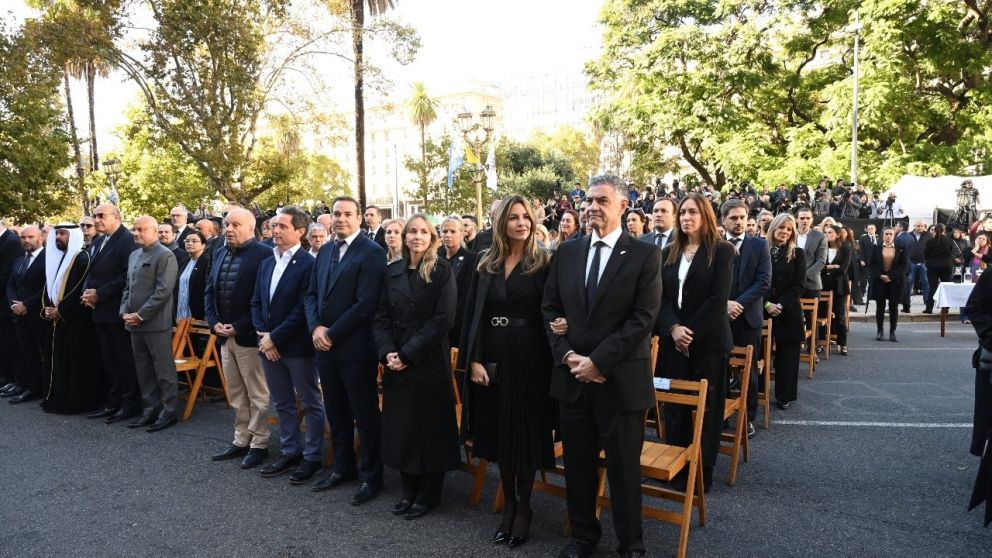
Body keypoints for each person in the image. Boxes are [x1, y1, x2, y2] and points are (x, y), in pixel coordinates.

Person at [542, 176, 662, 558]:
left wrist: (598, 361)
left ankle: (631, 544)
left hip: (620, 382)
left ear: (623, 205)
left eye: (602, 200)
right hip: (574, 380)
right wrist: (568, 356)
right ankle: (583, 537)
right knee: (577, 466)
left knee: (625, 471)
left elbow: (643, 319)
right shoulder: (567, 252)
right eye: (589, 200)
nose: (592, 206)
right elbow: (550, 309)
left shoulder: (645, 255)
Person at [459, 196, 555, 547]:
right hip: (493, 357)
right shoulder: (486, 263)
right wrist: (473, 359)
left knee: (525, 434)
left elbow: (553, 309)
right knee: (500, 433)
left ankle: (525, 507)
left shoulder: (545, 261)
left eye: (525, 217)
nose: (521, 223)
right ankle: (508, 504)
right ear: (501, 223)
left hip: (531, 357)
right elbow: (473, 317)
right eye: (513, 217)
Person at [373, 214, 459, 520]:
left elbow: (443, 319)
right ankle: (408, 489)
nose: (417, 236)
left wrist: (407, 355)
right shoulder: (392, 271)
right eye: (412, 231)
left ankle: (429, 493)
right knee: (402, 426)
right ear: (405, 236)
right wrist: (387, 352)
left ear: (432, 237)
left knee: (429, 426)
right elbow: (380, 316)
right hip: (396, 358)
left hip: (427, 359)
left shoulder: (442, 270)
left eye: (424, 232)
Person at [304, 196, 387, 505]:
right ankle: (342, 467)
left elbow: (366, 304)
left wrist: (332, 333)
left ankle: (371, 476)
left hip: (355, 348)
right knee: (336, 412)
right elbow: (311, 295)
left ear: (359, 218)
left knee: (364, 416)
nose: (340, 219)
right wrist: (316, 328)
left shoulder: (372, 253)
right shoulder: (324, 250)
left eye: (347, 214)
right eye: (336, 214)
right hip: (324, 347)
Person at [657, 193, 734, 493]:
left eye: (692, 212)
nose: (686, 217)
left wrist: (689, 332)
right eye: (682, 213)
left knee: (708, 409)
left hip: (708, 342)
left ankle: (703, 471)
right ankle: (675, 466)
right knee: (675, 406)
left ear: (705, 215)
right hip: (673, 341)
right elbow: (660, 298)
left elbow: (718, 300)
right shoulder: (668, 251)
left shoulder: (722, 251)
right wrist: (673, 328)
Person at [251, 207, 326, 484]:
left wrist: (274, 337)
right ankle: (290, 451)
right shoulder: (267, 262)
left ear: (300, 232)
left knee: (310, 401)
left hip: (296, 347)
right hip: (268, 344)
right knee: (282, 402)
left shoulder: (309, 264)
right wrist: (264, 336)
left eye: (282, 226)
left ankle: (313, 456)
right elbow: (256, 301)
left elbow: (302, 308)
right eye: (274, 226)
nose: (275, 230)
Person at [205, 208, 274, 469]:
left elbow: (264, 300)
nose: (229, 229)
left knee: (257, 393)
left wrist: (240, 326)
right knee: (235, 392)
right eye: (226, 224)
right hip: (224, 336)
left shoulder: (264, 254)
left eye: (235, 224)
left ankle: (259, 443)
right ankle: (240, 438)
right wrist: (214, 323)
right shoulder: (220, 251)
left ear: (250, 227)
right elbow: (209, 291)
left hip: (247, 336)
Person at [119, 216, 180, 433]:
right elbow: (128, 287)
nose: (135, 233)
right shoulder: (134, 255)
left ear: (154, 231)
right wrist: (124, 311)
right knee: (143, 370)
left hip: (154, 323)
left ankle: (169, 411)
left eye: (141, 230)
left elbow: (163, 291)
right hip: (133, 323)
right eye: (134, 229)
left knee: (163, 370)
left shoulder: (165, 255)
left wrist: (141, 315)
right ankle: (151, 409)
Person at [82, 205, 142, 423]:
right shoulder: (98, 241)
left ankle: (130, 403)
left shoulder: (126, 239)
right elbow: (90, 272)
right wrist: (86, 293)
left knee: (124, 359)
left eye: (101, 216)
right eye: (95, 216)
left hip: (117, 309)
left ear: (116, 218)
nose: (96, 220)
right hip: (99, 310)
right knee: (108, 359)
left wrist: (100, 294)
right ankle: (113, 401)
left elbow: (127, 275)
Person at [39, 224, 100, 414]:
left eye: (62, 234)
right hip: (57, 322)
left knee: (73, 364)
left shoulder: (82, 258)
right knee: (55, 361)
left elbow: (77, 290)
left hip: (75, 321)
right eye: (56, 233)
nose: (58, 237)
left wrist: (61, 311)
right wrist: (47, 309)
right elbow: (48, 286)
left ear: (72, 236)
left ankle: (73, 403)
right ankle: (54, 398)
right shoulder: (58, 258)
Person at [722, 198, 770, 438]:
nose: (739, 222)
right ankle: (719, 415)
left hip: (747, 318)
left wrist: (738, 304)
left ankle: (747, 418)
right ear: (724, 220)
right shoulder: (715, 244)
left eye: (742, 217)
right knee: (719, 368)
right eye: (733, 218)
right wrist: (724, 305)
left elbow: (763, 281)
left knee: (748, 372)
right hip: (719, 318)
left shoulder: (759, 246)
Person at [764, 214, 806, 409]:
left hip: (788, 311)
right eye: (782, 227)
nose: (785, 232)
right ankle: (758, 391)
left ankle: (784, 395)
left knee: (787, 357)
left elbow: (799, 285)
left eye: (789, 229)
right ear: (773, 227)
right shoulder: (760, 249)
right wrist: (766, 304)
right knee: (759, 354)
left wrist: (780, 305)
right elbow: (755, 280)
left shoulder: (798, 253)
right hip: (762, 310)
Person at [4, 226, 46, 403]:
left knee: (40, 353)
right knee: (25, 352)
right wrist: (14, 304)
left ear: (40, 238)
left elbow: (46, 287)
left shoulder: (48, 259)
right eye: (23, 237)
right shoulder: (19, 260)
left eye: (30, 237)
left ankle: (41, 388)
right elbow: (10, 285)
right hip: (19, 315)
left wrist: (26, 304)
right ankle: (28, 386)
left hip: (37, 314)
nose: (26, 240)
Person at [438, 216, 475, 349]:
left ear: (462, 234)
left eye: (453, 231)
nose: (448, 235)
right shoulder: (434, 257)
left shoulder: (471, 259)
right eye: (445, 231)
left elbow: (466, 295)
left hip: (457, 323)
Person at [869, 227, 907, 342]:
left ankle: (892, 331)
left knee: (893, 306)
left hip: (894, 281)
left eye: (891, 234)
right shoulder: (876, 248)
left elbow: (903, 266)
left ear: (894, 236)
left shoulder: (900, 249)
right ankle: (880, 331)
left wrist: (890, 276)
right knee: (880, 306)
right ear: (882, 235)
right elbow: (872, 264)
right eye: (886, 234)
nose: (888, 236)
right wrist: (880, 275)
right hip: (880, 279)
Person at [821, 225, 852, 355]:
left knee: (840, 316)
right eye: (826, 232)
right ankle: (820, 343)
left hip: (839, 286)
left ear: (838, 234)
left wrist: (827, 270)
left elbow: (843, 269)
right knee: (821, 315)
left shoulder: (845, 248)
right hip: (823, 285)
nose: (827, 234)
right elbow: (819, 266)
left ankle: (842, 344)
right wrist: (831, 266)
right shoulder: (822, 247)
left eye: (830, 232)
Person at [0, 219, 21, 390]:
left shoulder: (11, 242)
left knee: (8, 341)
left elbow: (6, 275)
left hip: (6, 303)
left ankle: (10, 377)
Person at [174, 231, 210, 321]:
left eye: (194, 241)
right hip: (180, 312)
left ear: (203, 245)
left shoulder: (208, 263)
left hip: (199, 315)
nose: (189, 243)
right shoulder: (183, 262)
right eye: (187, 241)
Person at [899, 220, 931, 313]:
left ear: (924, 226)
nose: (920, 227)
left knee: (925, 281)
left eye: (921, 226)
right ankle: (906, 302)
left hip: (924, 262)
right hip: (911, 262)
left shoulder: (928, 235)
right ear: (914, 226)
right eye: (918, 226)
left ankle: (927, 301)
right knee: (909, 281)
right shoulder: (908, 235)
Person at [795, 208, 827, 301]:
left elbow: (821, 261)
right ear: (797, 219)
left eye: (808, 218)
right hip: (790, 284)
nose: (805, 221)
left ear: (812, 220)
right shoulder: (790, 235)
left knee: (811, 315)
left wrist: (804, 276)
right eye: (802, 218)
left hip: (812, 284)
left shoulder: (820, 236)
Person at [923, 223, 955, 314]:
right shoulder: (949, 241)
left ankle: (929, 308)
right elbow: (951, 252)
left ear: (935, 230)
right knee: (945, 287)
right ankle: (945, 308)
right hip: (946, 265)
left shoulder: (930, 242)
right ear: (944, 230)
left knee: (932, 287)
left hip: (933, 266)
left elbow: (926, 253)